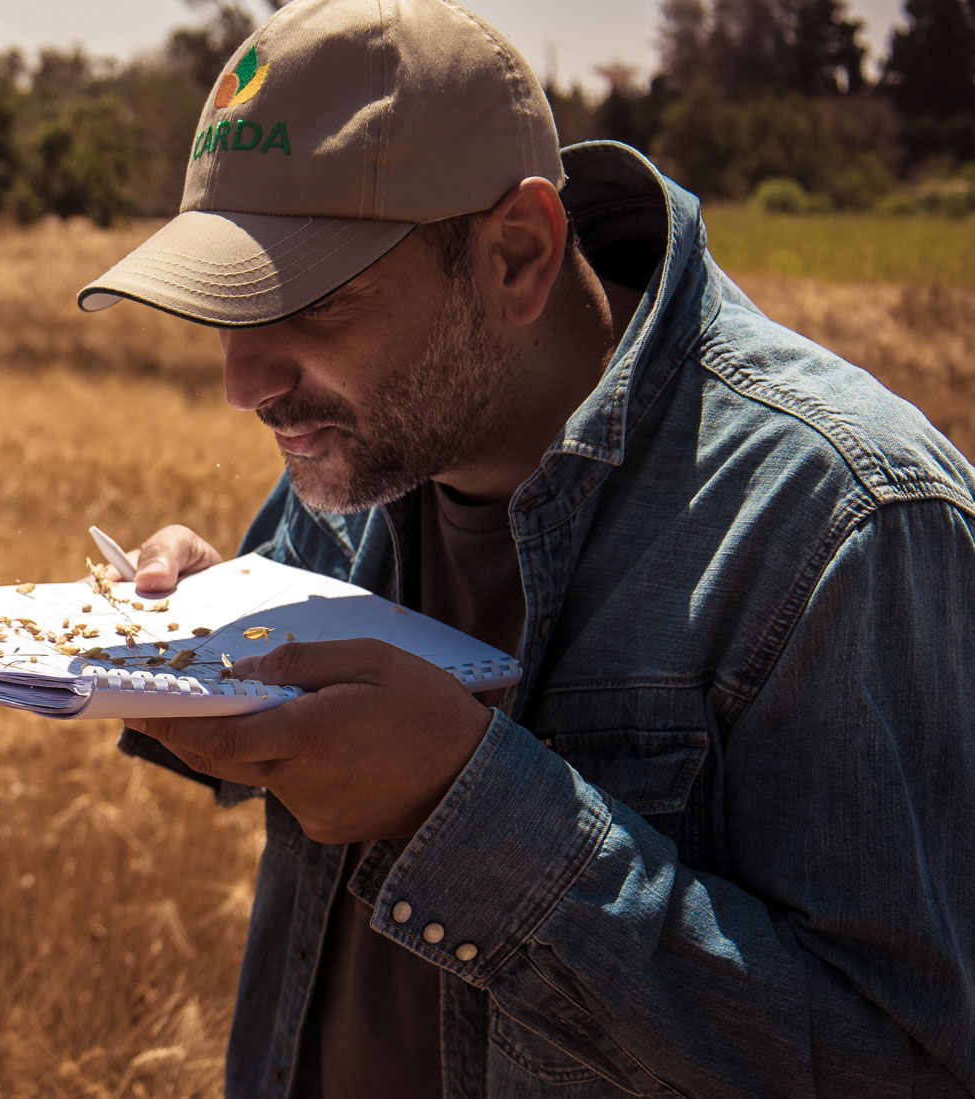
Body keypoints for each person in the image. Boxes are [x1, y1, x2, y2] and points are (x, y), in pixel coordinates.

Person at [72, 0, 975, 1096]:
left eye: (309, 303)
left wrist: (465, 803)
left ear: (515, 255)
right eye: (227, 310)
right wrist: (209, 637)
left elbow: (899, 1062)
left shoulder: (838, 522)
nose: (243, 385)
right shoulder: (369, 448)